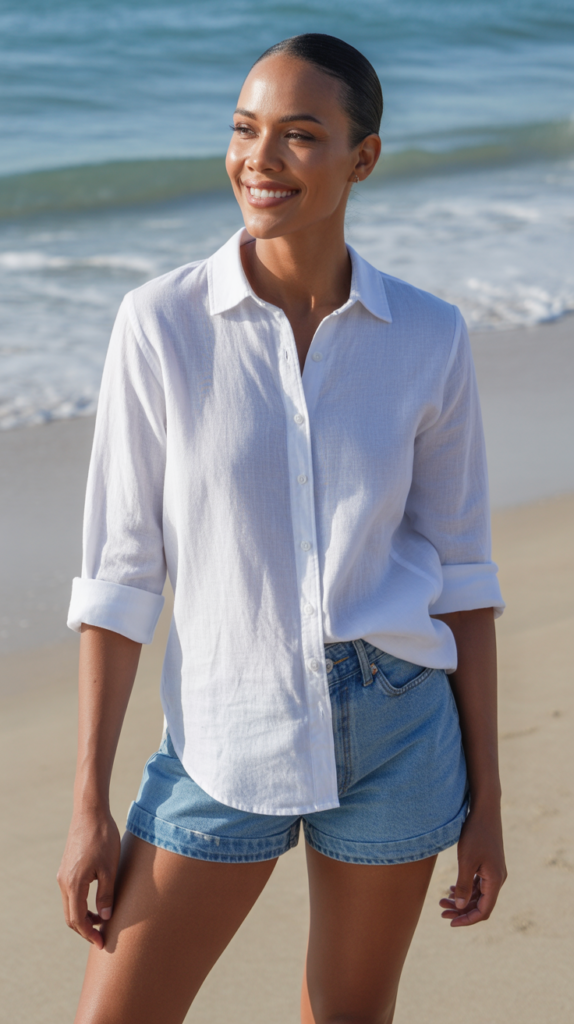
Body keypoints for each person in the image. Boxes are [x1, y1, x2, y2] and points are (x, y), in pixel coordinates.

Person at [58, 33, 507, 1024]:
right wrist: (89, 800)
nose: (259, 160)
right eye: (245, 129)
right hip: (224, 728)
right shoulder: (160, 323)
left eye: (300, 136)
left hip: (397, 724)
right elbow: (120, 576)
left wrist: (489, 804)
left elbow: (463, 577)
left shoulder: (428, 336)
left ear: (364, 156)